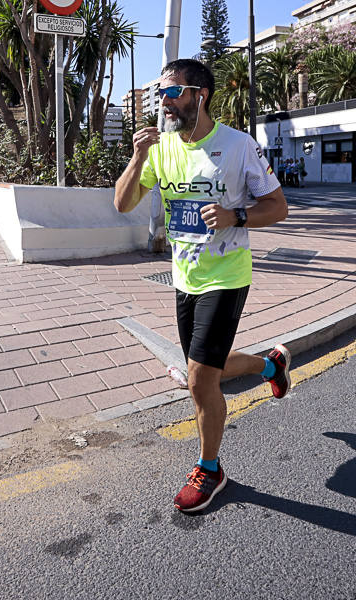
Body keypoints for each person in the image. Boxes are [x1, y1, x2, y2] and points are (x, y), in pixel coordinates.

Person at [114, 58, 290, 514]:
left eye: (171, 93)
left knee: (198, 379)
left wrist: (238, 215)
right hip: (184, 277)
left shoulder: (238, 146)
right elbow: (122, 202)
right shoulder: (161, 148)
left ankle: (210, 469)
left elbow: (278, 207)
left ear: (199, 94)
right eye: (160, 94)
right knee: (204, 369)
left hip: (227, 274)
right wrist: (137, 157)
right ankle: (271, 366)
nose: (163, 102)